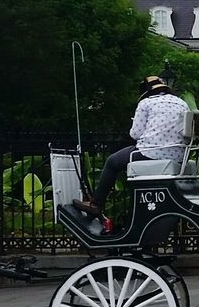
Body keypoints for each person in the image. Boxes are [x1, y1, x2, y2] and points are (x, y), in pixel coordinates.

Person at [73, 76, 189, 219]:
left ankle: (96, 205)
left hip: (150, 152)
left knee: (112, 162)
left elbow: (135, 134)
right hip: (177, 155)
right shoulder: (182, 104)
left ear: (146, 92)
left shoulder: (146, 103)